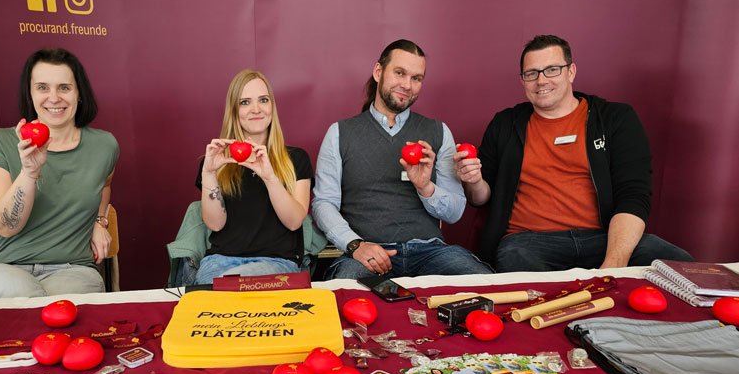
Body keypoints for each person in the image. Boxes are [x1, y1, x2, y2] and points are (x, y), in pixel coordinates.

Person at [455, 34, 692, 272]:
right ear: (523, 80)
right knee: (516, 262)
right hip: (528, 242)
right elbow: (480, 199)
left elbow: (634, 196)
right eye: (532, 73)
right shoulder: (505, 124)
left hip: (604, 237)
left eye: (552, 70)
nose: (541, 81)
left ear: (571, 72)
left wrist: (614, 262)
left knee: (681, 266)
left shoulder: (615, 119)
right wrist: (473, 181)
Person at [311, 39, 492, 279]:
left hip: (430, 252)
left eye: (416, 78)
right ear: (378, 72)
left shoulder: (438, 132)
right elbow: (323, 203)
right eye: (399, 73)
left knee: (483, 283)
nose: (407, 85)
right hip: (369, 252)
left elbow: (455, 211)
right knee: (345, 295)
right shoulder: (339, 133)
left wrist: (425, 187)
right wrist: (355, 245)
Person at [0, 48, 119, 299]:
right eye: (42, 87)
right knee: (26, 298)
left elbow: (104, 184)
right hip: (4, 270)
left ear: (79, 94)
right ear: (31, 94)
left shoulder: (104, 146)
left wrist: (99, 220)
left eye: (64, 88)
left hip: (73, 270)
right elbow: (5, 227)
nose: (53, 98)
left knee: (58, 308)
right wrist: (29, 172)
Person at [193, 69, 312, 284]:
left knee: (226, 285)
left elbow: (294, 222)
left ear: (272, 107)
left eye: (263, 100)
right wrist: (209, 174)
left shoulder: (296, 159)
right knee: (210, 296)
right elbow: (215, 224)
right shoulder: (217, 161)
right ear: (234, 111)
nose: (256, 109)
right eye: (245, 102)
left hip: (277, 262)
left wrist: (269, 176)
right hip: (220, 260)